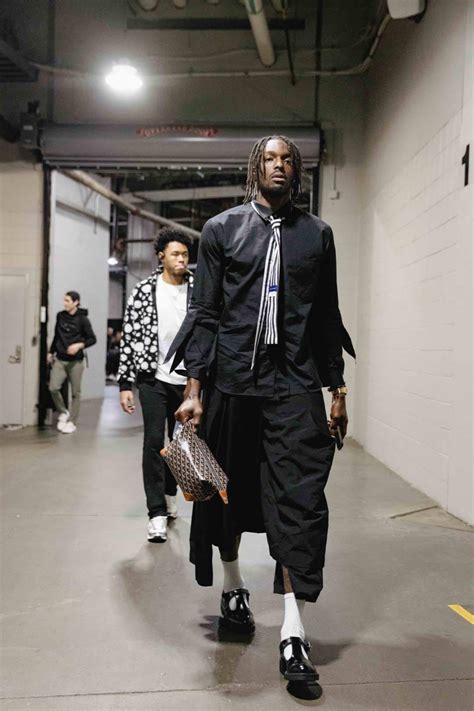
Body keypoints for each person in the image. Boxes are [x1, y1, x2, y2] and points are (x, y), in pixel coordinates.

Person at [171, 136, 355, 686]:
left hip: (294, 385)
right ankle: (233, 590)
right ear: (255, 167)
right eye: (270, 159)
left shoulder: (317, 235)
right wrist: (193, 388)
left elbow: (326, 315)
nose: (280, 166)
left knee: (301, 504)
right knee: (225, 493)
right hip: (232, 382)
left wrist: (337, 389)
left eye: (288, 159)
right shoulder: (221, 229)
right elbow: (205, 311)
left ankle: (293, 633)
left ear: (298, 171)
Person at [118, 228, 193, 543]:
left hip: (188, 382)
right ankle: (156, 514)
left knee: (180, 444)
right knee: (153, 442)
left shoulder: (198, 290)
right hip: (153, 378)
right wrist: (125, 383)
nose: (181, 259)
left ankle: (169, 493)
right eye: (176, 254)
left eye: (185, 254)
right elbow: (129, 335)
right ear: (162, 256)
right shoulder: (144, 290)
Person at [48, 291, 96, 434]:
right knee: (53, 387)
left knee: (76, 392)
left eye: (67, 301)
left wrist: (79, 345)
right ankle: (63, 412)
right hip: (60, 359)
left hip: (76, 362)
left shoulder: (83, 319)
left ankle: (72, 422)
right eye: (64, 300)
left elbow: (92, 339)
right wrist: (51, 352)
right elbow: (57, 335)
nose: (64, 303)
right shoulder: (60, 316)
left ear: (76, 302)